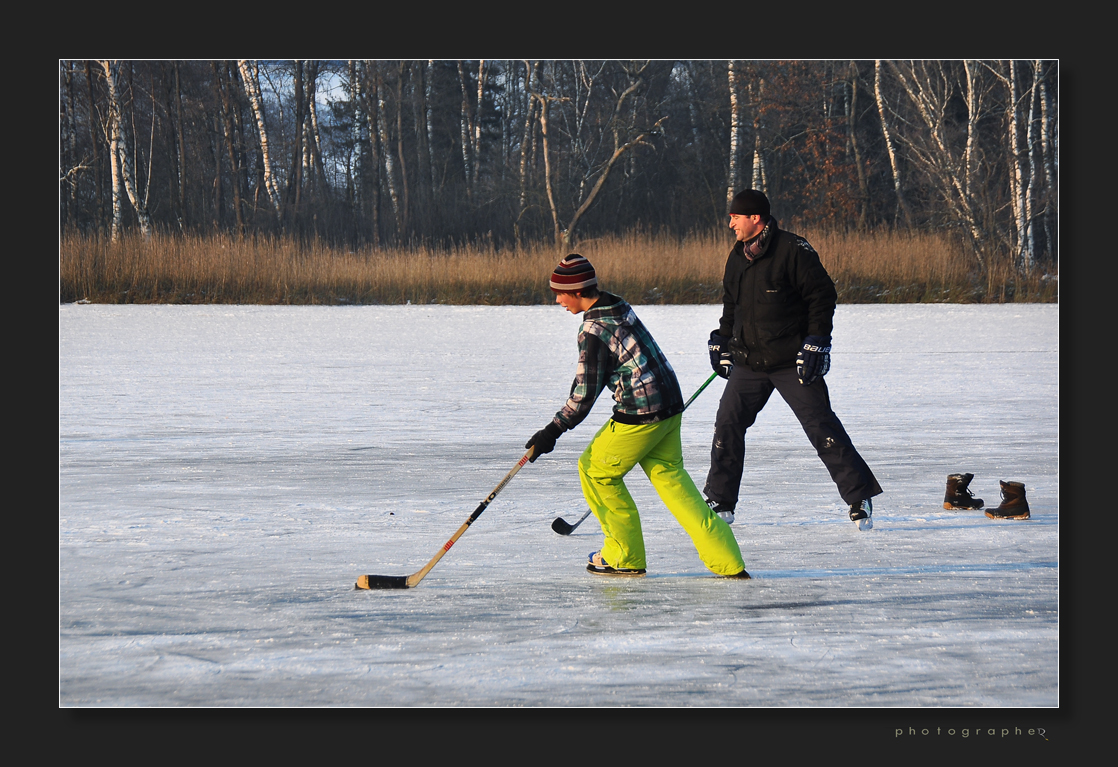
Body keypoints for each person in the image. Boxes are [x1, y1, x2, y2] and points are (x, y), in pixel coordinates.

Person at [526, 254, 749, 578]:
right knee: (673, 482)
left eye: (560, 292)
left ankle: (623, 556)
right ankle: (728, 561)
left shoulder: (593, 329)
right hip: (670, 407)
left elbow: (584, 394)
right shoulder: (616, 305)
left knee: (594, 470)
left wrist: (552, 431)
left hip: (641, 414)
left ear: (577, 291)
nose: (557, 300)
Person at [704, 190, 882, 530]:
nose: (730, 224)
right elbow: (732, 305)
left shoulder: (793, 249)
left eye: (735, 217)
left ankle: (859, 496)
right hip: (749, 362)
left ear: (755, 218)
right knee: (727, 424)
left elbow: (822, 295)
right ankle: (720, 500)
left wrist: (817, 342)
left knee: (820, 425)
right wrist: (721, 340)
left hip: (790, 360)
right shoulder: (738, 256)